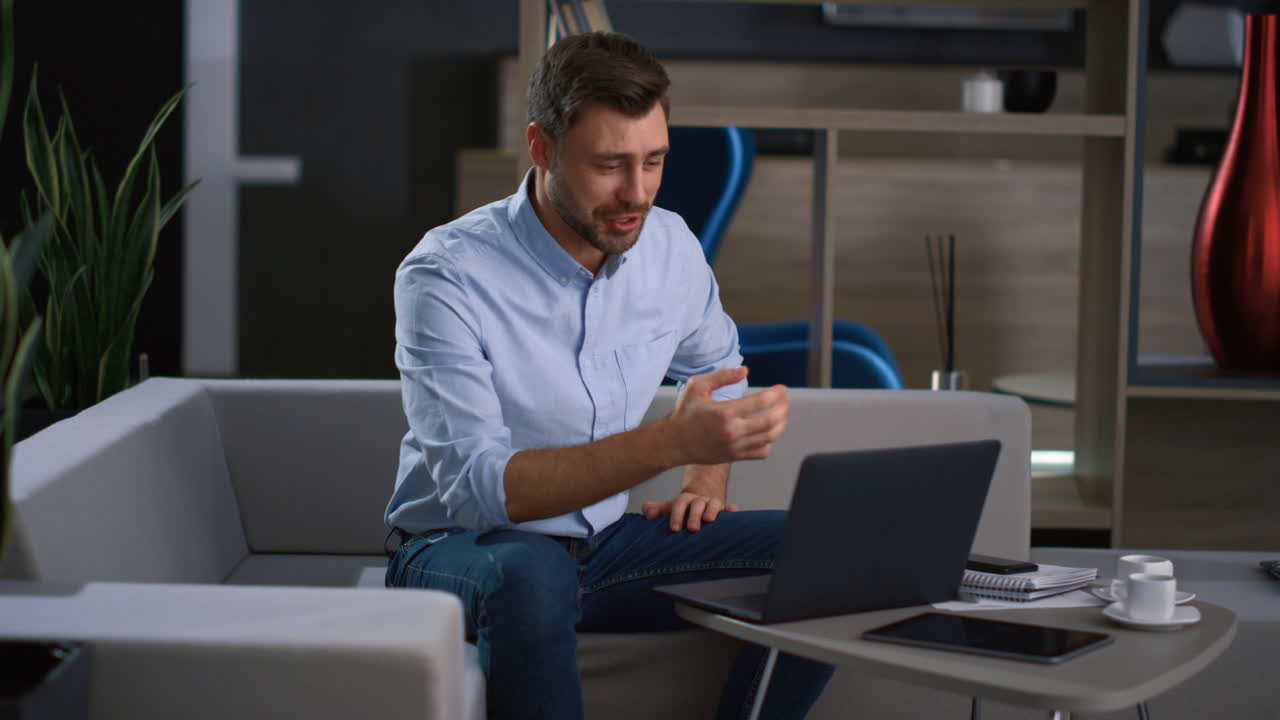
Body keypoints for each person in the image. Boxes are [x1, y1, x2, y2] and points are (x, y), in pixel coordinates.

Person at [384, 31, 833, 720]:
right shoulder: (446, 275)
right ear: (541, 147)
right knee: (529, 571)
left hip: (604, 550)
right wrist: (673, 444)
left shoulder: (670, 247)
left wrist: (705, 478)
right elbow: (483, 491)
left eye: (654, 162)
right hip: (458, 552)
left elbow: (720, 365)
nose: (637, 192)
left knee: (829, 550)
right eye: (609, 165)